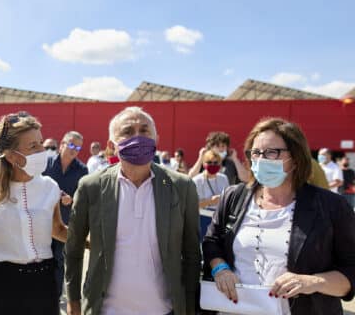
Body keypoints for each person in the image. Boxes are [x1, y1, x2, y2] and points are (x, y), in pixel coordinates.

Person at [203, 118, 355, 315]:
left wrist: (313, 281)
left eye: (271, 152)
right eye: (256, 152)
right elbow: (212, 241)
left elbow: (351, 269)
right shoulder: (234, 197)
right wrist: (220, 268)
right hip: (234, 310)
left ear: (295, 158)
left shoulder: (330, 206)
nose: (261, 159)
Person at [66, 106, 200, 315]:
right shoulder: (91, 187)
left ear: (156, 139)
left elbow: (192, 252)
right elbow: (73, 250)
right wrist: (73, 301)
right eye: (128, 132)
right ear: (112, 145)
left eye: (144, 131)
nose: (138, 138)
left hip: (165, 311)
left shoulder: (182, 187)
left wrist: (190, 308)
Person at [0, 111, 67, 315]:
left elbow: (57, 229)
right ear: (11, 155)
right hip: (0, 285)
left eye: (41, 143)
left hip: (43, 283)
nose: (42, 150)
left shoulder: (50, 187)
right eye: (33, 146)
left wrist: (94, 242)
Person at [43, 131, 89, 300]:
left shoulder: (82, 169)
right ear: (62, 144)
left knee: (59, 260)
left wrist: (73, 198)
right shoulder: (46, 163)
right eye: (71, 145)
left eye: (77, 147)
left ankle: (54, 296)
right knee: (39, 257)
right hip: (41, 220)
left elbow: (84, 196)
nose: (74, 150)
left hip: (64, 223)